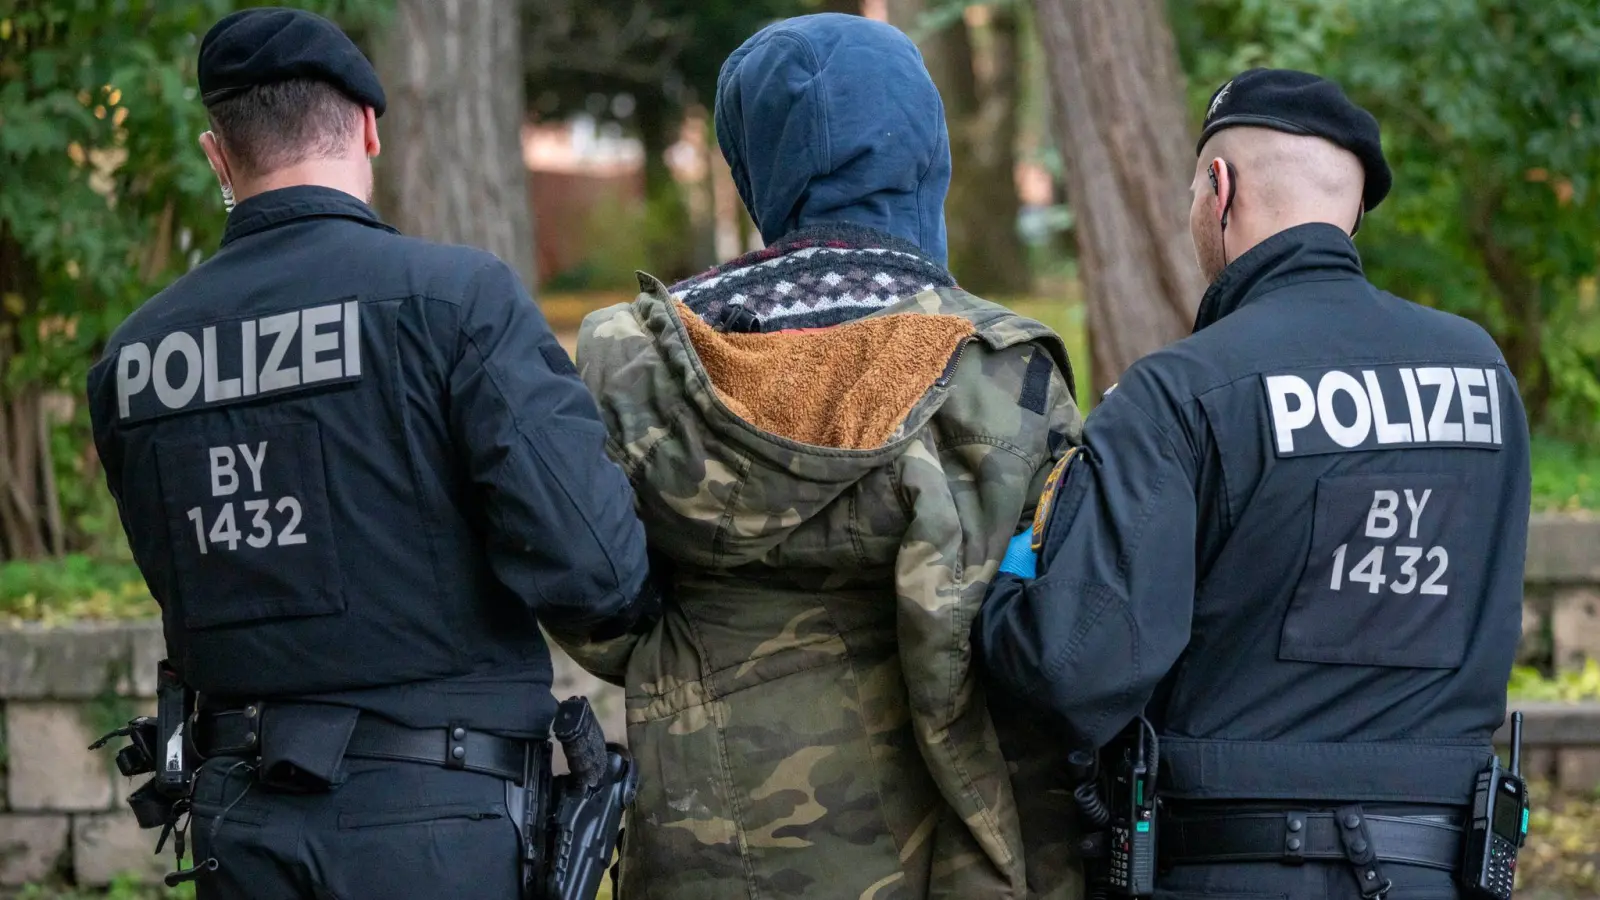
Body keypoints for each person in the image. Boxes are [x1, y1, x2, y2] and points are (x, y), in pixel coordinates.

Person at [85, 8, 656, 899]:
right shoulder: (453, 302)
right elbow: (601, 574)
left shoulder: (131, 358)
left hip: (241, 826)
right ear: (367, 126)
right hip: (441, 824)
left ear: (218, 155)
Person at [549, 13, 1085, 900]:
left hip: (710, 843)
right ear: (922, 151)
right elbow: (1053, 634)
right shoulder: (1000, 367)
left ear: (753, 158)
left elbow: (590, 593)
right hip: (959, 843)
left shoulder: (635, 362)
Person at [976, 68, 1530, 900]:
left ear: (1218, 188)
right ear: (1351, 208)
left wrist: (1010, 586)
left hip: (1229, 867)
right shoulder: (1483, 374)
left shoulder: (1180, 390)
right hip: (1443, 865)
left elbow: (1075, 664)